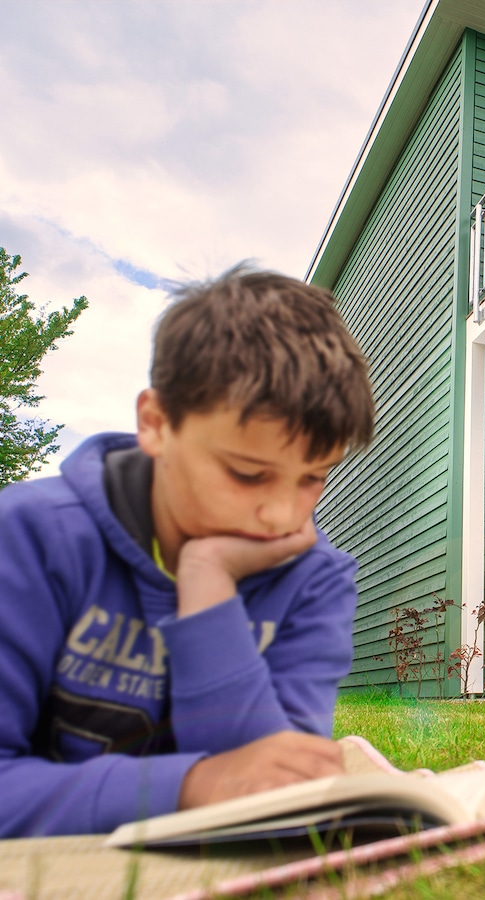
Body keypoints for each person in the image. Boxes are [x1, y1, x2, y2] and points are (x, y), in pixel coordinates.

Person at [0, 265, 376, 837]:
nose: (283, 515)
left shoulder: (315, 579)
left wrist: (207, 587)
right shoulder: (27, 537)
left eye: (313, 478)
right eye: (249, 474)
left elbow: (271, 786)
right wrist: (191, 785)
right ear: (155, 422)